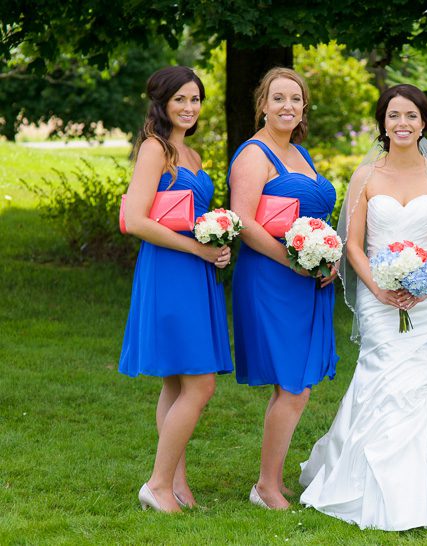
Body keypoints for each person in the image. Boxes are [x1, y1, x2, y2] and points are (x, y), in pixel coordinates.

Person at [299, 84, 427, 531]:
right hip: (378, 297)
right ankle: (365, 483)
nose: (402, 123)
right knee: (382, 378)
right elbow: (353, 244)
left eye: (410, 115)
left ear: (423, 123)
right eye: (393, 115)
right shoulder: (366, 177)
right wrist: (378, 288)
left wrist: (426, 284)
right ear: (383, 124)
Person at [119, 66, 233, 513]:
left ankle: (178, 487)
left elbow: (187, 215)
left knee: (176, 380)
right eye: (180, 99)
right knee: (200, 384)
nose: (189, 107)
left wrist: (216, 244)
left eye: (195, 99)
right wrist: (196, 249)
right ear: (162, 102)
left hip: (194, 270)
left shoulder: (192, 154)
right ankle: (157, 483)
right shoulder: (155, 149)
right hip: (169, 270)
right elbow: (135, 219)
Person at [228, 67, 338, 510]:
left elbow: (312, 218)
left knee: (295, 383)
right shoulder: (254, 154)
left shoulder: (299, 153)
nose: (287, 106)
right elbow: (243, 221)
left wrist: (327, 256)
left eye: (295, 98)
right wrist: (295, 261)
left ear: (304, 106)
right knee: (293, 385)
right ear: (263, 105)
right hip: (272, 278)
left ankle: (272, 479)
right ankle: (266, 487)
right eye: (278, 98)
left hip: (306, 279)